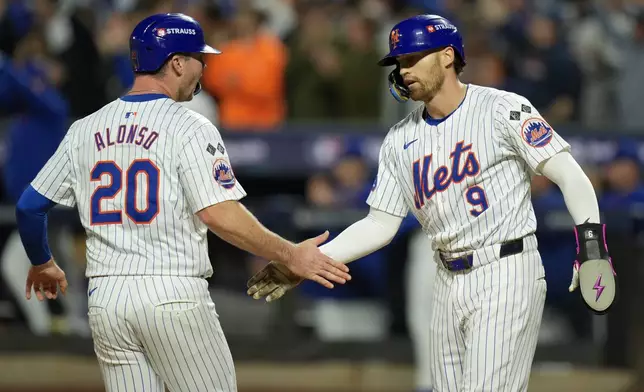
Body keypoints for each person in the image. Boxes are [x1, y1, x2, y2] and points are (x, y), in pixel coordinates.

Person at [247, 14, 616, 391]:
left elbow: (571, 176)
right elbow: (379, 225)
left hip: (506, 271)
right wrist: (303, 261)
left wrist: (592, 247)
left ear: (446, 56)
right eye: (399, 62)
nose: (403, 70)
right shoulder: (398, 140)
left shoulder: (502, 108)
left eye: (412, 59)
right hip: (445, 278)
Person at [14, 13, 350, 392]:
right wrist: (290, 254)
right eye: (197, 59)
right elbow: (218, 213)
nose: (203, 67)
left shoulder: (85, 128)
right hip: (170, 293)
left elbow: (29, 207)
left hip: (106, 299)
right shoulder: (190, 125)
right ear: (176, 62)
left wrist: (42, 262)